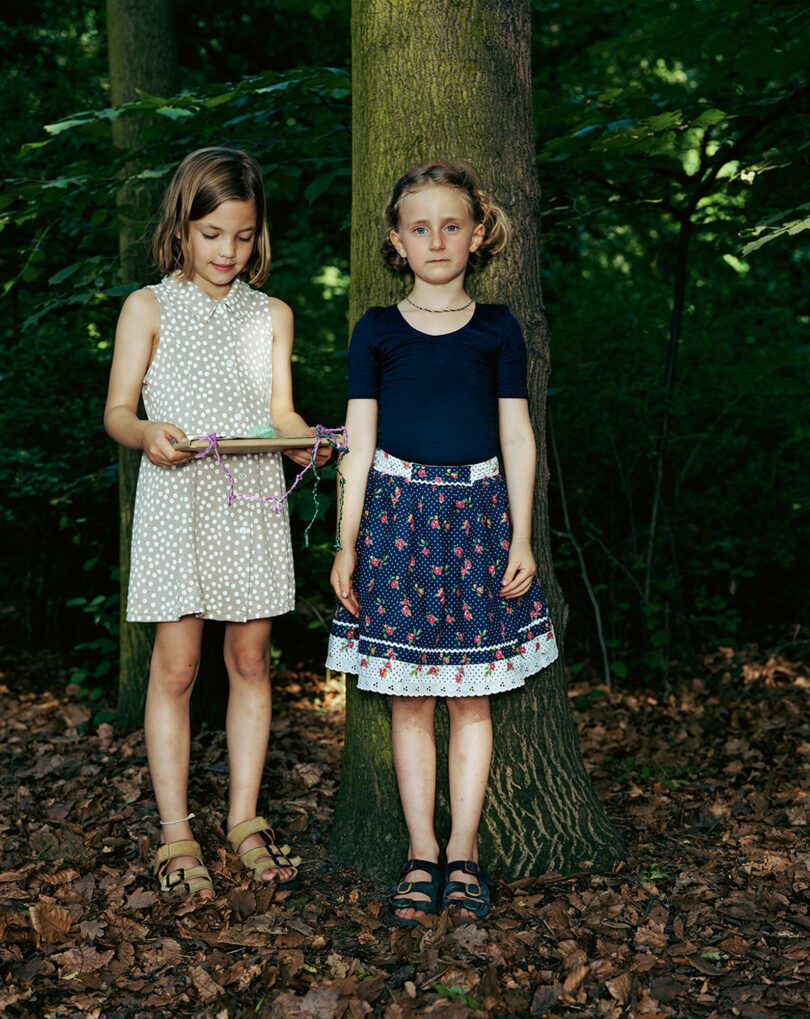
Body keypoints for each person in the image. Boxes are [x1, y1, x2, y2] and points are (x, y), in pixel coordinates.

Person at [326, 161, 559, 924]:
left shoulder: (497, 327)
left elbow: (517, 435)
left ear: (477, 234)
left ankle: (464, 852)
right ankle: (421, 852)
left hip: (480, 523)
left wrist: (523, 534)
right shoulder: (376, 330)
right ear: (397, 241)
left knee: (471, 699)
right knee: (411, 700)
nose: (436, 240)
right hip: (396, 523)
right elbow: (357, 444)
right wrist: (346, 543)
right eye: (419, 227)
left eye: (451, 225)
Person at [105, 147, 329, 901]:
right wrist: (146, 432)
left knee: (251, 660)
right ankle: (176, 833)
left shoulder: (272, 315)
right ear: (180, 227)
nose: (227, 250)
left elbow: (280, 412)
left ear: (258, 233)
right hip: (178, 501)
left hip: (250, 501)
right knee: (176, 668)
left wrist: (304, 441)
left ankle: (243, 821)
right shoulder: (147, 308)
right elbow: (118, 412)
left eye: (242, 234)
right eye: (211, 234)